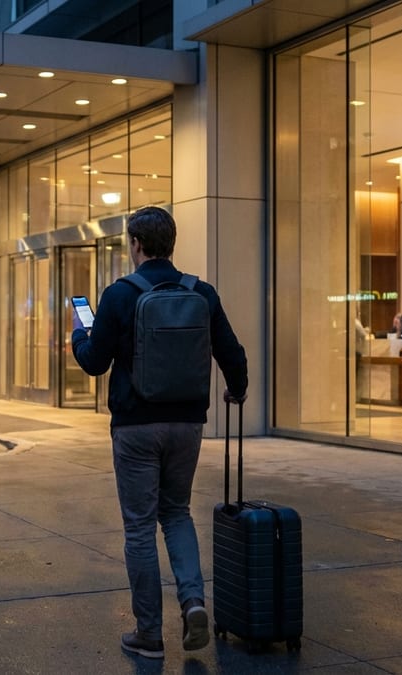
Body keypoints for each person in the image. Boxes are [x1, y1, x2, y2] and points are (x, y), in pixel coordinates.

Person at [70, 206, 248, 660]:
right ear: (170, 244)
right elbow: (232, 352)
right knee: (177, 514)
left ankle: (149, 634)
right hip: (188, 425)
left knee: (138, 528)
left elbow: (94, 362)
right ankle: (192, 602)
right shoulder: (200, 292)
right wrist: (237, 391)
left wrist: (77, 335)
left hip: (135, 427)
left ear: (135, 244)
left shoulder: (119, 295)